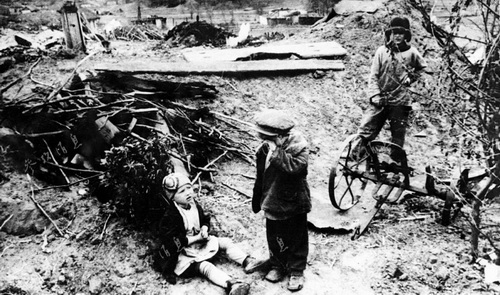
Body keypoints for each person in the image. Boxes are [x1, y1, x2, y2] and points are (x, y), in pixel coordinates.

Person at [152, 172, 265, 295]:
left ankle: (247, 261)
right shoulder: (171, 216)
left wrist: (205, 228)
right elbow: (173, 242)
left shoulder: (194, 205)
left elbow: (205, 219)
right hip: (184, 254)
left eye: (189, 188)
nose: (188, 193)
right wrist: (197, 237)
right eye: (182, 191)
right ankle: (231, 284)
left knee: (225, 242)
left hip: (200, 243)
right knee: (205, 267)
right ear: (172, 197)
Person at [251, 109, 312, 292]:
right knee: (275, 236)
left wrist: (276, 151)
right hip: (272, 200)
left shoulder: (299, 148)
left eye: (267, 137)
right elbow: (261, 174)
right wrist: (258, 197)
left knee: (297, 237)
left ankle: (296, 270)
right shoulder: (265, 148)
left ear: (280, 136)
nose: (263, 140)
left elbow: (294, 168)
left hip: (293, 201)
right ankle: (278, 264)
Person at [357, 16, 428, 155]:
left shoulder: (411, 52)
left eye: (401, 33)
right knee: (366, 129)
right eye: (394, 33)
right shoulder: (382, 51)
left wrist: (411, 79)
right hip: (380, 98)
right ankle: (357, 158)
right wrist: (375, 95)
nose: (397, 36)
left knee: (397, 136)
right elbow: (373, 75)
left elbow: (423, 68)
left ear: (406, 35)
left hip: (400, 100)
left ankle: (394, 166)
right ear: (390, 34)